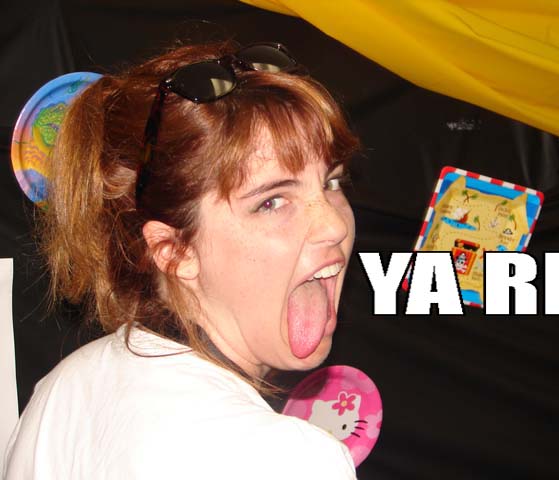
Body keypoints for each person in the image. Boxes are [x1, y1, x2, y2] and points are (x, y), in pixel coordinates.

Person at [4, 41, 360, 479]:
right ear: (174, 251)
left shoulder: (64, 392)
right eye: (271, 202)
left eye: (331, 182)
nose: (334, 225)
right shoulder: (285, 459)